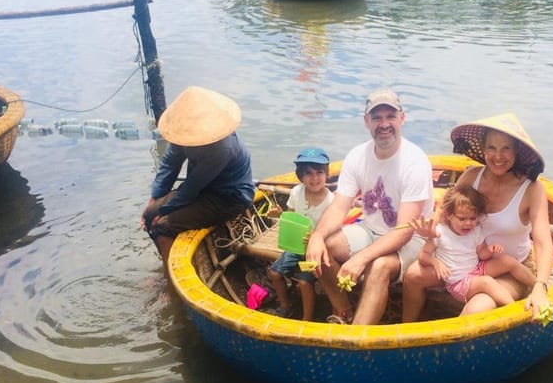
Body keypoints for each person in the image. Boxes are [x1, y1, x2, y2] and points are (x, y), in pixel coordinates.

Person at [402, 113, 553, 322]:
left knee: (476, 309)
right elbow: (445, 208)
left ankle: (455, 349)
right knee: (412, 276)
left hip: (509, 266)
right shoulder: (472, 176)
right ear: (483, 149)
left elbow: (543, 243)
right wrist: (431, 231)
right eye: (491, 148)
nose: (498, 156)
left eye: (505, 148)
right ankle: (406, 332)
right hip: (467, 259)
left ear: (516, 152)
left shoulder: (532, 189)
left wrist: (540, 286)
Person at [305, 89, 434, 325]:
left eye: (390, 117)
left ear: (401, 118)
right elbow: (338, 207)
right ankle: (344, 310)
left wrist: (361, 258)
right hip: (370, 229)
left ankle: (356, 338)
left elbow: (405, 230)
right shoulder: (357, 156)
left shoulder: (414, 161)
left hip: (413, 239)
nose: (384, 124)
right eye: (377, 118)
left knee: (379, 265)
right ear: (367, 122)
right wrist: (317, 236)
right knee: (327, 245)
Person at [142, 86, 255, 267]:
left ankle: (170, 277)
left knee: (162, 227)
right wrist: (155, 198)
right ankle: (167, 260)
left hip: (228, 198)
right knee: (148, 215)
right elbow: (170, 164)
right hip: (202, 189)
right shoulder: (184, 133)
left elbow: (192, 187)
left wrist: (164, 211)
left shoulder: (221, 148)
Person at [410, 184, 536, 309]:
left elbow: (481, 253)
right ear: (449, 215)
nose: (468, 223)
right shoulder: (439, 233)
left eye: (473, 218)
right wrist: (436, 263)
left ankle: (538, 286)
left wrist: (490, 250)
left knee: (507, 261)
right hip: (460, 283)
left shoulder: (475, 230)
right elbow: (423, 256)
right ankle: (514, 310)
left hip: (476, 270)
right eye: (462, 219)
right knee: (487, 282)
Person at [267, 147, 334, 320]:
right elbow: (292, 218)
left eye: (319, 172)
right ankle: (285, 306)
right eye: (308, 173)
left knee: (304, 283)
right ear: (301, 176)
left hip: (314, 253)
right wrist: (280, 214)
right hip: (295, 247)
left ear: (327, 175)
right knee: (274, 273)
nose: (314, 178)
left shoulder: (331, 200)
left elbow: (332, 230)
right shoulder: (297, 192)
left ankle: (306, 318)